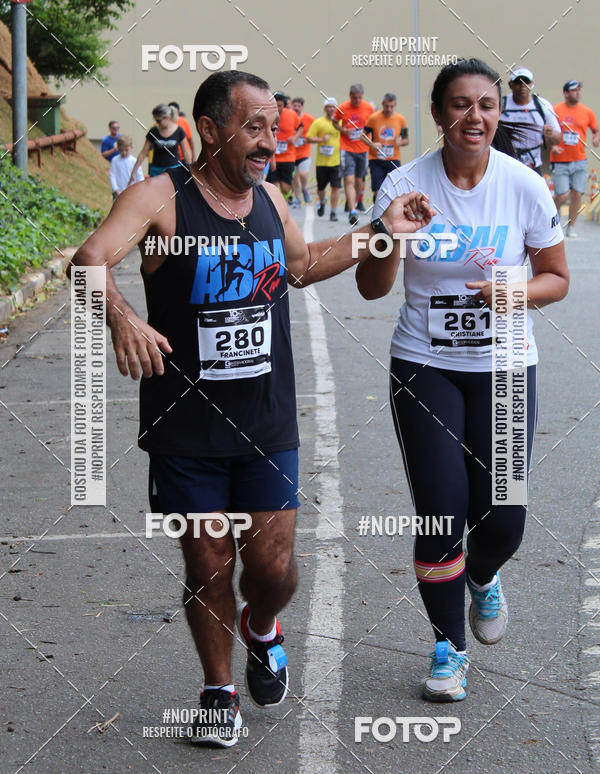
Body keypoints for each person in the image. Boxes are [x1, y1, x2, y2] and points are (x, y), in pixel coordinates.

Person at [69, 69, 423, 745]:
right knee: (207, 565)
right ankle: (218, 692)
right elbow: (88, 261)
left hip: (265, 421)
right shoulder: (161, 198)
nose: (268, 141)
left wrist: (382, 228)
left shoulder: (268, 200)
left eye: (273, 128)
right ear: (209, 130)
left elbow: (304, 264)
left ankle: (263, 625)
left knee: (271, 570)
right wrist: (122, 319)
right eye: (253, 127)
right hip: (184, 426)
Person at [356, 57, 568, 703]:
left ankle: (482, 577)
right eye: (459, 104)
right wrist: (391, 236)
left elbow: (557, 279)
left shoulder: (524, 185)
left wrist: (511, 289)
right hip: (425, 365)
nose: (473, 116)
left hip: (504, 367)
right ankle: (448, 647)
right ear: (439, 113)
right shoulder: (403, 183)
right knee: (442, 510)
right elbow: (370, 287)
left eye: (485, 105)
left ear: (498, 115)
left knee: (503, 519)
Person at [551, 80, 600, 237]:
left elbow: (595, 129)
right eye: (574, 90)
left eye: (579, 90)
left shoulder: (587, 112)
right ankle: (551, 217)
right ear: (566, 93)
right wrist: (552, 146)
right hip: (560, 160)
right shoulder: (556, 110)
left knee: (577, 194)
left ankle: (570, 227)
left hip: (580, 160)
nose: (578, 93)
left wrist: (596, 138)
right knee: (562, 195)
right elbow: (548, 132)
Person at [500, 68, 561, 174]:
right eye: (518, 82)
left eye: (526, 82)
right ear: (511, 85)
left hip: (533, 163)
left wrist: (550, 134)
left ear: (531, 84)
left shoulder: (542, 105)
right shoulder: (501, 104)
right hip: (506, 162)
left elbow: (558, 138)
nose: (522, 86)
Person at [333, 84, 374, 225]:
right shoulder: (343, 108)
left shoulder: (369, 108)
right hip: (347, 149)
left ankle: (354, 203)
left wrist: (372, 143)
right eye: (354, 98)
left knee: (359, 181)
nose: (357, 100)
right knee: (348, 180)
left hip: (363, 149)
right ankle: (352, 211)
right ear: (350, 96)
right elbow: (334, 121)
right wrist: (342, 130)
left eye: (359, 98)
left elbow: (372, 125)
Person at [128, 104, 192, 182]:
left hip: (174, 169)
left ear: (167, 117)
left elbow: (186, 153)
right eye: (156, 121)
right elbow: (143, 153)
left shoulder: (179, 131)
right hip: (156, 170)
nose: (157, 123)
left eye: (159, 121)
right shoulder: (153, 131)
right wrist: (134, 171)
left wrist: (190, 171)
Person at [364, 92, 409, 198]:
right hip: (376, 159)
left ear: (395, 106)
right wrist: (372, 144)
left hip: (393, 159)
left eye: (391, 106)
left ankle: (390, 211)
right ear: (382, 104)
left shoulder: (400, 119)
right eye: (386, 106)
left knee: (394, 188)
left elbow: (406, 140)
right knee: (378, 190)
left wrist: (400, 142)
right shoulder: (374, 118)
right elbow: (362, 136)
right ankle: (378, 211)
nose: (389, 109)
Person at [305, 97, 342, 221]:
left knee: (335, 187)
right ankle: (322, 202)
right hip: (321, 162)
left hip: (336, 161)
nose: (331, 109)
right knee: (321, 188)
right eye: (329, 106)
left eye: (333, 106)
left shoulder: (340, 122)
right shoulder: (318, 122)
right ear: (325, 108)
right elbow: (308, 138)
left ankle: (333, 212)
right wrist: (321, 140)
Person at [267, 92, 302, 201]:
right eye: (275, 106)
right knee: (274, 186)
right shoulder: (267, 116)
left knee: (285, 188)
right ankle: (277, 207)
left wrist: (295, 137)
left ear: (284, 105)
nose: (277, 109)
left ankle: (289, 195)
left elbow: (301, 128)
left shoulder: (291, 114)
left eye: (280, 106)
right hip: (272, 156)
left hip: (288, 156)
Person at [290, 97, 314, 206]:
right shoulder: (288, 117)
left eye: (298, 106)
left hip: (304, 153)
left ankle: (304, 188)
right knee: (294, 178)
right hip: (291, 153)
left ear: (302, 107)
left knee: (303, 174)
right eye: (294, 105)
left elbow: (315, 132)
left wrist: (308, 139)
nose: (296, 108)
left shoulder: (309, 119)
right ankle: (297, 198)